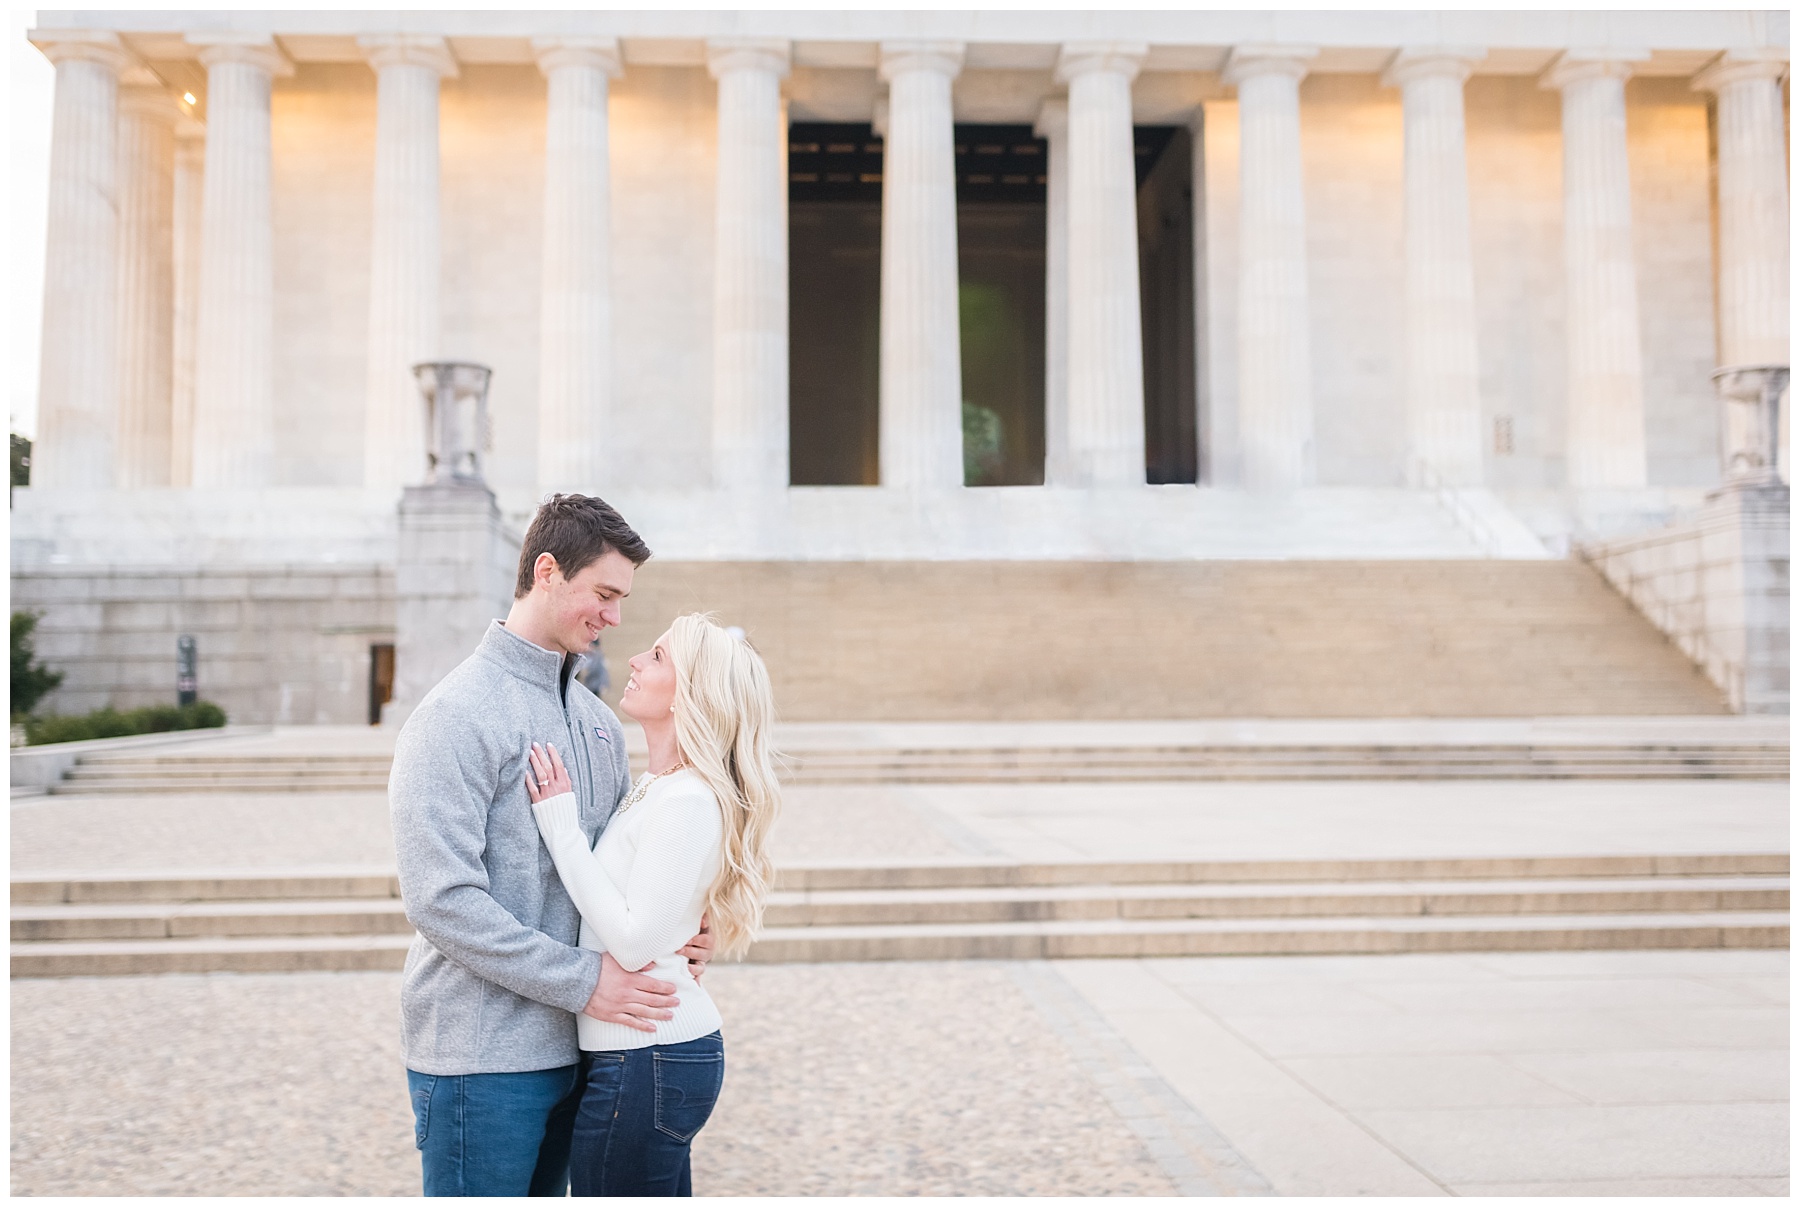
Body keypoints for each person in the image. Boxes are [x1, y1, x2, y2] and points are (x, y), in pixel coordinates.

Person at [389, 493, 714, 1197]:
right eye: (603, 592)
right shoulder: (451, 715)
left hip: (583, 1053)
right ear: (546, 570)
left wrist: (679, 922)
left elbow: (616, 869)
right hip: (479, 1059)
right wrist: (587, 981)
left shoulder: (599, 722)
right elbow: (440, 900)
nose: (615, 616)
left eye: (623, 598)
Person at [524, 613, 781, 1197]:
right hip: (639, 1061)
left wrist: (561, 828)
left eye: (658, 657)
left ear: (692, 692)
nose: (635, 661)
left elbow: (636, 942)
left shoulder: (687, 799)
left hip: (649, 1059)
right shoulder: (658, 787)